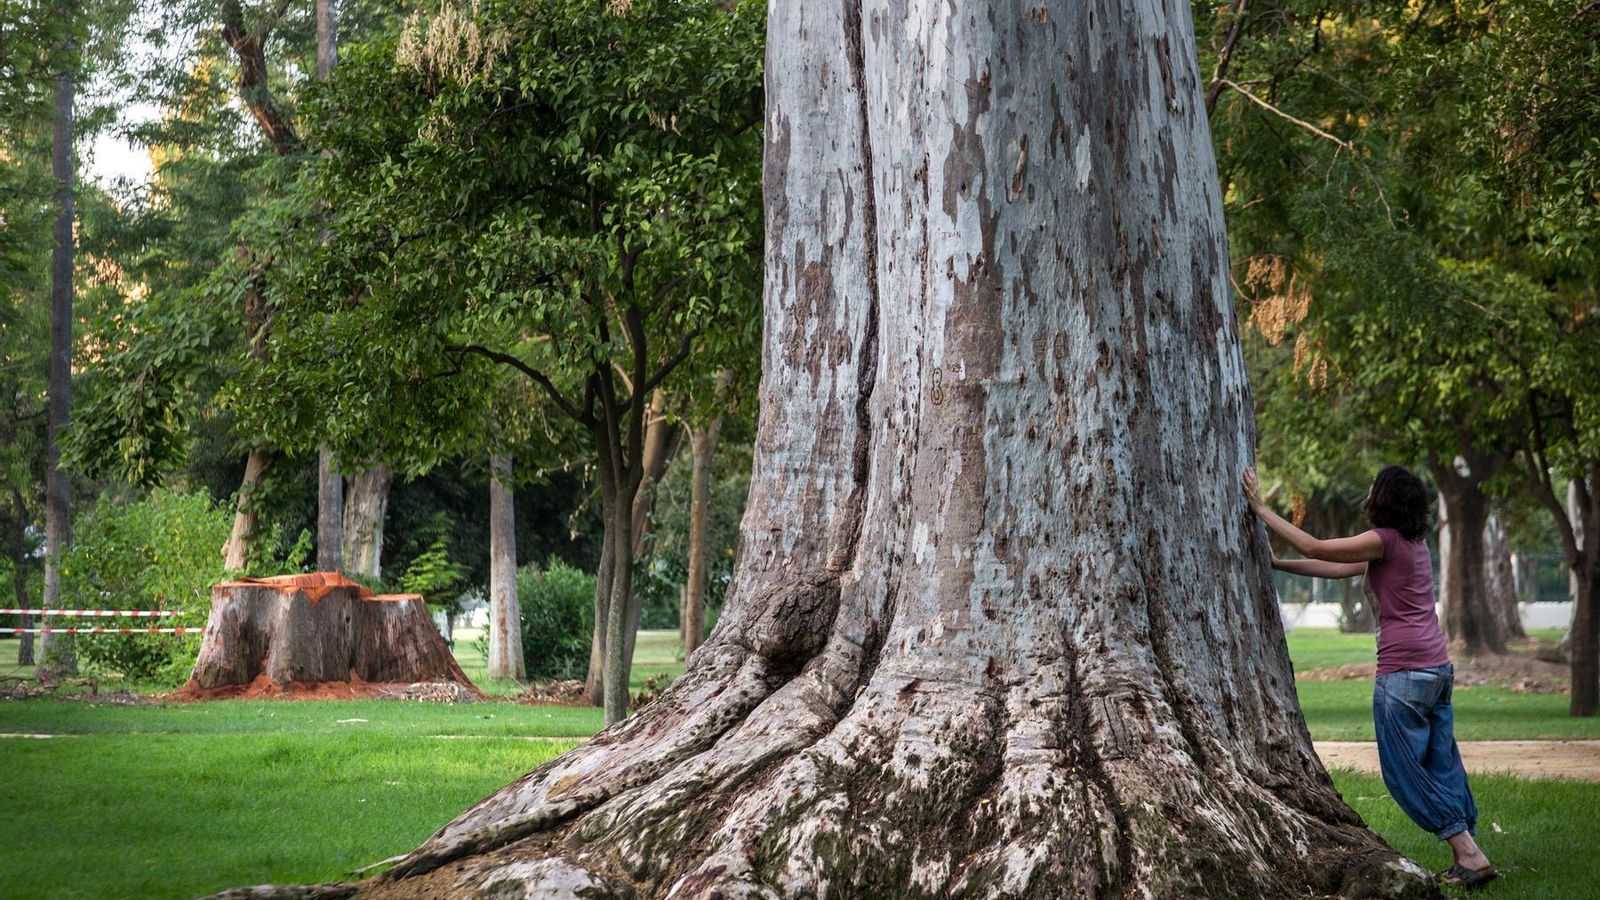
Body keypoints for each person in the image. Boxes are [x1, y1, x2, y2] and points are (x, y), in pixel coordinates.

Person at [1244, 465, 1497, 890]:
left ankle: (1470, 852)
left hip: (1403, 675)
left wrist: (1260, 508)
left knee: (1404, 772)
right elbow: (1334, 567)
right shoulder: (1411, 545)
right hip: (1437, 670)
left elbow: (1318, 545)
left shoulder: (1383, 541)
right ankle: (1465, 851)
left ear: (1382, 499)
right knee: (1441, 762)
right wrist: (1276, 563)